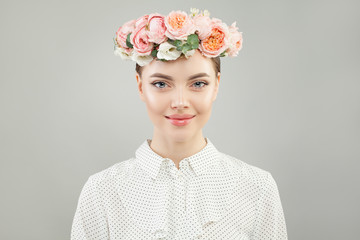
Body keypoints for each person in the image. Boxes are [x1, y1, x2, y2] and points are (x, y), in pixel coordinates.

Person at [71, 8, 288, 240]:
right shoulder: (102, 191)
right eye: (161, 84)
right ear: (140, 85)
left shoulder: (257, 187)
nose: (180, 102)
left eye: (198, 84)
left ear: (216, 85)